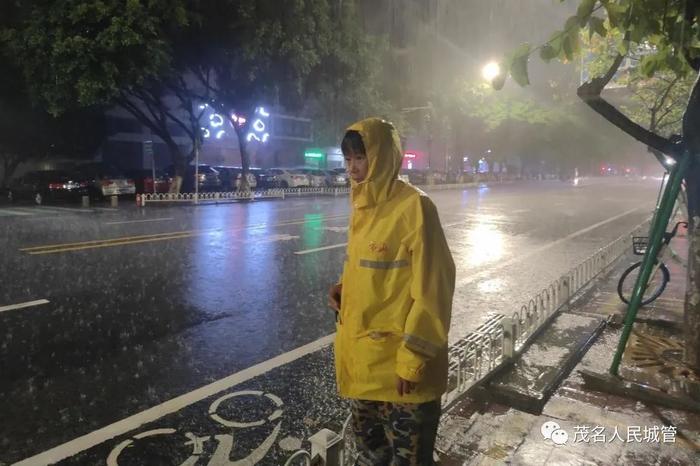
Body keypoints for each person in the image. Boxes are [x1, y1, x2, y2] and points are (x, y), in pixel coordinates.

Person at [328, 118, 456, 465]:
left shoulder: (414, 207)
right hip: (366, 367)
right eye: (349, 159)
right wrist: (347, 290)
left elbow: (434, 289)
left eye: (361, 158)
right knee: (371, 457)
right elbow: (376, 271)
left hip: (403, 376)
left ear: (382, 157)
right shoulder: (363, 205)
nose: (353, 168)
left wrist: (412, 362)